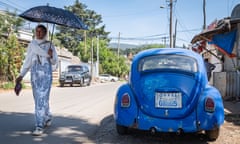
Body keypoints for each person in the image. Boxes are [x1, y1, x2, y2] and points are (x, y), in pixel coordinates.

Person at [16, 24, 58, 136]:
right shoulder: (32, 45)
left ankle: (39, 126)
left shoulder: (50, 45)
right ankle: (47, 116)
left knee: (41, 99)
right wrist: (21, 75)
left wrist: (51, 55)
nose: (38, 33)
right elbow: (28, 61)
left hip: (46, 76)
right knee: (39, 99)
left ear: (45, 33)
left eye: (41, 31)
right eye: (37, 31)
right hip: (35, 76)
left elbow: (55, 63)